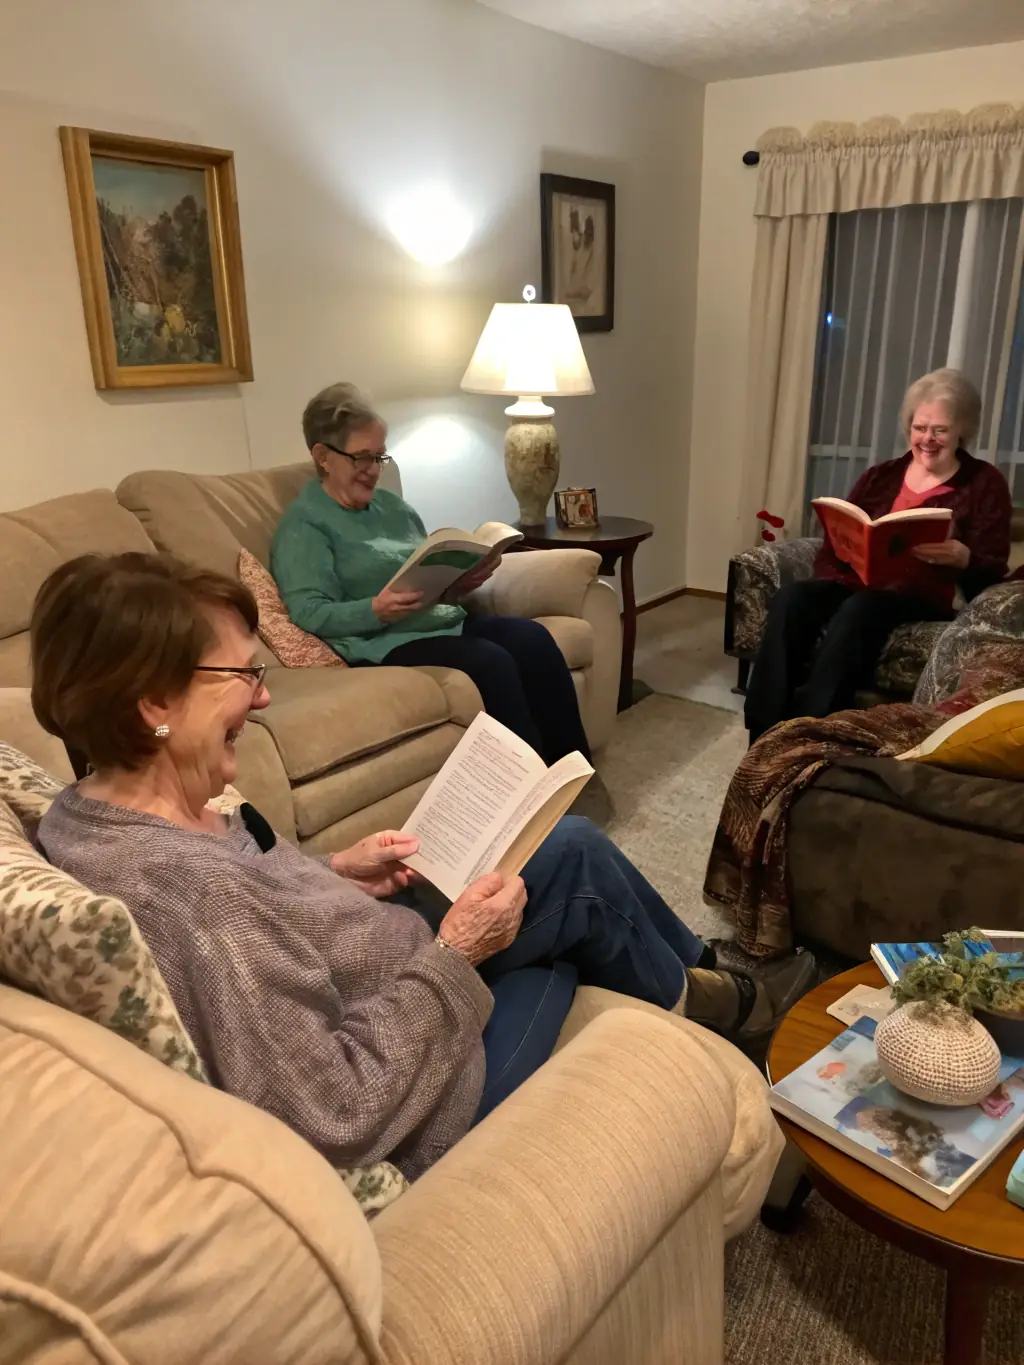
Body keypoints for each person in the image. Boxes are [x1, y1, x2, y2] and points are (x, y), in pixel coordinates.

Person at [32, 552, 815, 1180]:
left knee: (569, 846)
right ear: (151, 705)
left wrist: (337, 869)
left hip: (383, 969)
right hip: (424, 1097)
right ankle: (737, 1030)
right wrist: (461, 952)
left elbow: (262, 899)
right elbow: (333, 1113)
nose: (266, 699)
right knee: (570, 937)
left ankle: (720, 990)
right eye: (244, 676)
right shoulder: (191, 902)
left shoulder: (99, 803)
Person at [270, 383, 590, 766]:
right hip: (382, 643)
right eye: (362, 458)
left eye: (380, 457)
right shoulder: (305, 525)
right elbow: (308, 611)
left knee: (533, 639)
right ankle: (535, 801)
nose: (373, 471)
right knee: (492, 662)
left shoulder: (391, 507)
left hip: (439, 622)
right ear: (322, 455)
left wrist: (458, 583)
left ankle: (573, 773)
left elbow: (423, 568)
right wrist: (376, 610)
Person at [745, 369, 1011, 743]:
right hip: (857, 580)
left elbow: (993, 564)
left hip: (920, 593)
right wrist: (844, 551)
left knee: (860, 610)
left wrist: (964, 556)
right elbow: (835, 544)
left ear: (961, 431)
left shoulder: (984, 483)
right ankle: (763, 728)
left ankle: (812, 730)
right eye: (920, 428)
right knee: (792, 599)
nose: (928, 439)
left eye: (940, 430)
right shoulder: (880, 476)